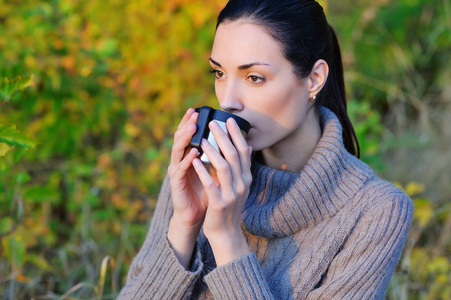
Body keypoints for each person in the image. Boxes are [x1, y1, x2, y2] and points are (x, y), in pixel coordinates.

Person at [118, 0, 413, 299]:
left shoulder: (376, 210)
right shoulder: (198, 168)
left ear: (314, 79)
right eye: (219, 74)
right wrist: (185, 223)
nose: (228, 100)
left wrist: (226, 238)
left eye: (254, 77)